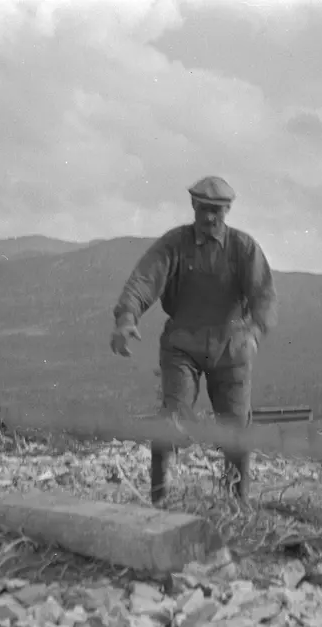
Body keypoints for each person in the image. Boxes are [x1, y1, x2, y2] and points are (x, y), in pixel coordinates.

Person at [110, 176, 278, 503]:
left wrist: (256, 332)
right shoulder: (174, 244)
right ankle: (159, 499)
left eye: (216, 210)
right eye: (203, 209)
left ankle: (237, 504)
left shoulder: (244, 248)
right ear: (193, 206)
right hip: (183, 344)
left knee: (235, 429)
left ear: (227, 210)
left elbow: (265, 295)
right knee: (173, 419)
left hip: (232, 345)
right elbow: (144, 279)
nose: (209, 217)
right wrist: (127, 318)